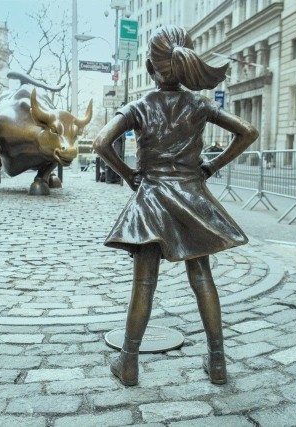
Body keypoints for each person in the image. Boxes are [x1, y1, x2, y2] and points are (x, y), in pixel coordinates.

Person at [93, 25, 259, 386]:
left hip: (151, 198)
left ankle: (130, 364)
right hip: (191, 197)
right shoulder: (198, 104)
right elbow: (248, 131)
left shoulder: (140, 106)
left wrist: (130, 176)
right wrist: (211, 167)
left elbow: (101, 142)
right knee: (202, 277)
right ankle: (218, 363)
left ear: (152, 69)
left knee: (144, 283)